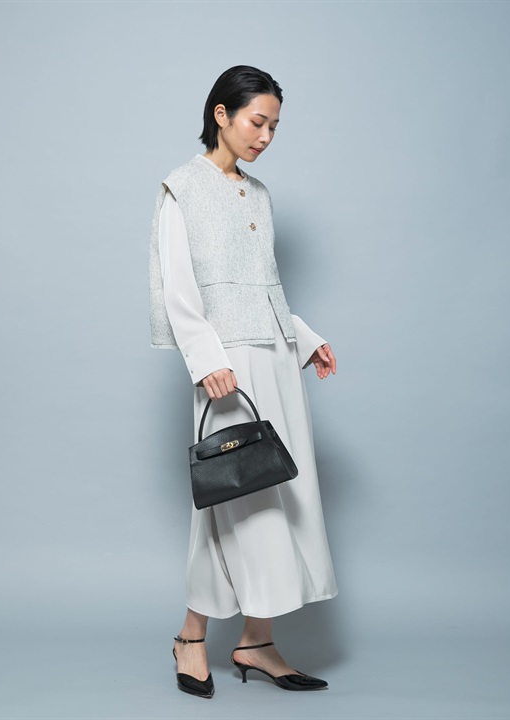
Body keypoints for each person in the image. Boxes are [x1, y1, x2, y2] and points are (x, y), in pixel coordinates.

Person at [149, 65, 338, 698]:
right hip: (226, 364)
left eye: (275, 127)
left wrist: (304, 339)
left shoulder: (258, 194)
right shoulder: (181, 187)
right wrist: (207, 360)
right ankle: (192, 637)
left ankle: (257, 641)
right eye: (258, 122)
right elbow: (179, 288)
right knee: (230, 497)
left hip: (275, 357)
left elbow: (264, 284)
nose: (265, 136)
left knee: (280, 492)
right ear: (222, 114)